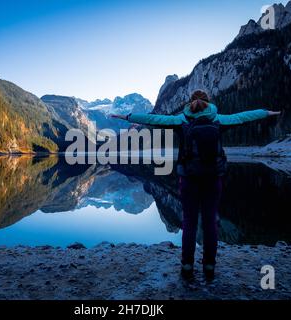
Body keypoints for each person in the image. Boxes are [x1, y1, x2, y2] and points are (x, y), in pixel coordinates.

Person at [111, 89, 281, 281]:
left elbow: (155, 119)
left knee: (189, 223)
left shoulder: (181, 120)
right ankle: (209, 267)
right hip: (213, 177)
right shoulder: (218, 119)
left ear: (190, 103)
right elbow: (242, 117)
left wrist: (126, 116)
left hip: (188, 178)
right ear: (208, 103)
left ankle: (187, 267)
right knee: (210, 222)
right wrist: (266, 113)